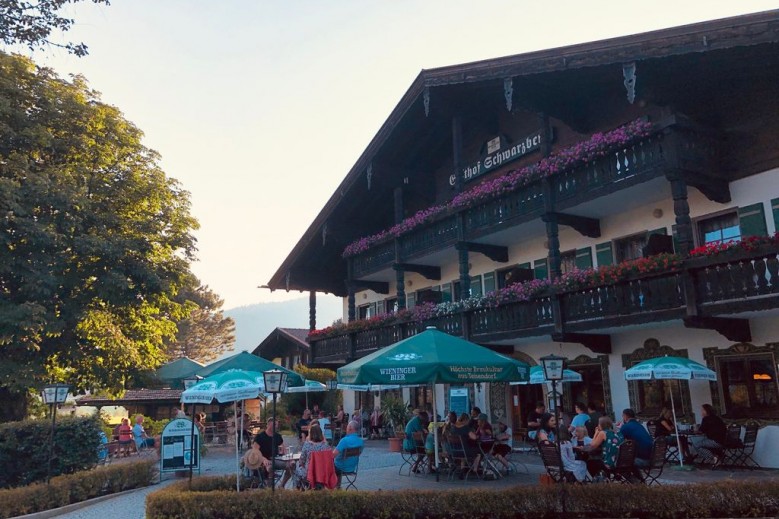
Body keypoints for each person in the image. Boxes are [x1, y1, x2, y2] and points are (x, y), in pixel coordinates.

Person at [254, 418, 292, 488]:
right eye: (274, 425)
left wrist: (288, 457)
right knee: (270, 467)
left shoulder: (278, 436)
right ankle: (269, 487)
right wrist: (264, 459)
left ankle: (282, 485)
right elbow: (255, 451)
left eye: (276, 425)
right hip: (262, 460)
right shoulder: (260, 437)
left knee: (291, 465)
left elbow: (284, 449)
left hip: (275, 459)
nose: (276, 426)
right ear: (268, 425)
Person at [295, 423, 331, 488]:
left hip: (309, 474)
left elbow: (301, 461)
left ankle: (299, 489)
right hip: (323, 474)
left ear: (310, 433)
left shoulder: (307, 445)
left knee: (296, 468)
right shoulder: (326, 446)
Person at [333, 420, 364, 488]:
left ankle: (332, 487)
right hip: (352, 468)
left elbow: (333, 455)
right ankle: (338, 486)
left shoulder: (344, 440)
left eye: (347, 427)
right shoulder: (361, 441)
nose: (346, 428)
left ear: (350, 428)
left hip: (340, 467)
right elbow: (359, 453)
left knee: (328, 464)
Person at [697, 403, 727, 468]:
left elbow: (701, 431)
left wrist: (695, 430)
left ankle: (714, 457)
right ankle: (718, 457)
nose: (701, 412)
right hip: (723, 441)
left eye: (702, 410)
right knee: (705, 444)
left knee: (698, 445)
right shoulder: (717, 418)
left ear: (706, 411)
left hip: (715, 442)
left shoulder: (706, 419)